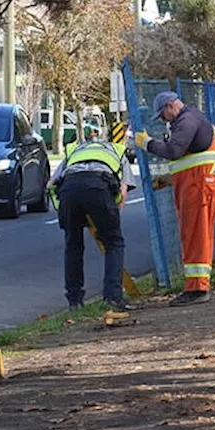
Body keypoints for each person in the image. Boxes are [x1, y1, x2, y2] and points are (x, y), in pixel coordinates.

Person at [134, 90, 215, 306]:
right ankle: (197, 285)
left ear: (170, 106)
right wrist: (170, 179)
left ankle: (197, 289)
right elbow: (189, 159)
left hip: (199, 184)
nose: (164, 120)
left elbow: (174, 150)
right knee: (195, 233)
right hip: (199, 182)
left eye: (163, 115)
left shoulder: (186, 121)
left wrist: (148, 144)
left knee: (195, 234)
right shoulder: (192, 119)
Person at [49, 124, 137, 311]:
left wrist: (62, 210)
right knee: (114, 242)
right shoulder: (118, 152)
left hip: (69, 189)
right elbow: (123, 189)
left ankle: (74, 301)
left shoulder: (74, 150)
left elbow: (52, 183)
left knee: (73, 245)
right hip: (99, 186)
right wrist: (112, 217)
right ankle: (113, 297)